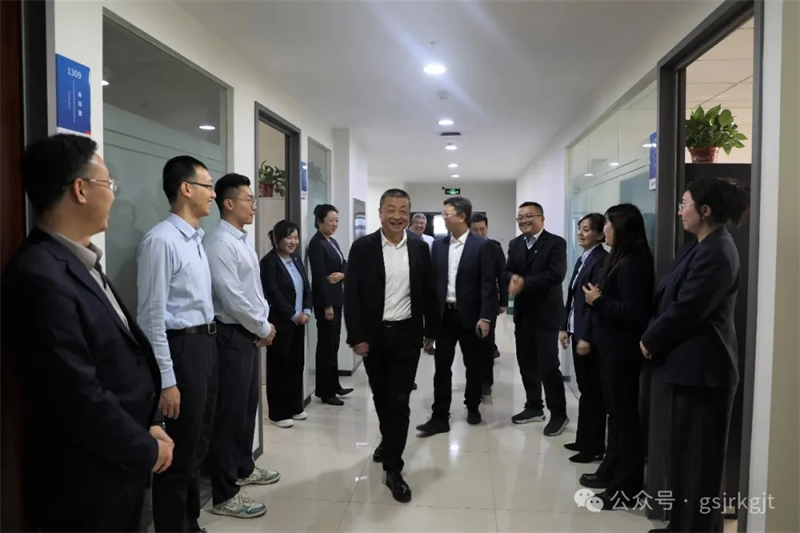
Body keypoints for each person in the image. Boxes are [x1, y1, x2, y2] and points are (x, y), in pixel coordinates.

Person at [0, 134, 173, 533]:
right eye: (109, 184)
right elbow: (76, 393)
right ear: (80, 189)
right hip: (85, 482)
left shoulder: (80, 261)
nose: (113, 194)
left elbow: (123, 356)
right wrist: (144, 447)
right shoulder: (39, 275)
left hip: (119, 462)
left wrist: (150, 422)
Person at [641, 177, 749, 533]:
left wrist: (651, 339)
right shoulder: (699, 246)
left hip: (706, 372)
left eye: (684, 204)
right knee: (685, 459)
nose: (679, 211)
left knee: (700, 464)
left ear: (705, 210)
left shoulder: (718, 251)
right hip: (686, 367)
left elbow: (688, 308)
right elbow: (669, 297)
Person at [137, 155, 218, 533]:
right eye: (208, 186)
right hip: (180, 351)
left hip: (205, 347)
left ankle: (191, 522)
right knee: (178, 453)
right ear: (186, 188)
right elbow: (151, 319)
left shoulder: (195, 239)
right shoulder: (161, 241)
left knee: (197, 445)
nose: (213, 194)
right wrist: (166, 380)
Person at [344, 188, 438, 503]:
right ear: (380, 213)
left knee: (399, 401)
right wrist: (356, 336)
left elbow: (428, 291)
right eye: (391, 210)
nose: (397, 216)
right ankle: (389, 439)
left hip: (406, 336)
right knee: (382, 396)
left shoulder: (419, 248)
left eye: (403, 210)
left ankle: (393, 469)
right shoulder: (363, 247)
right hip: (374, 336)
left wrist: (431, 331)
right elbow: (352, 295)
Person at [204, 173, 280, 519]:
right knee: (230, 414)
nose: (254, 205)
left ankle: (243, 466)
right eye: (249, 199)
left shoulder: (241, 240)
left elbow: (254, 291)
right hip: (231, 335)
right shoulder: (220, 244)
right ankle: (224, 492)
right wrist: (263, 327)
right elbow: (232, 298)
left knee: (247, 406)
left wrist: (263, 324)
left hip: (247, 333)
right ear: (229, 203)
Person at [579, 203, 654, 510]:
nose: (604, 230)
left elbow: (635, 312)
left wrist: (598, 301)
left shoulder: (635, 261)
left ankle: (627, 485)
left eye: (607, 224)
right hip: (609, 348)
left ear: (620, 227)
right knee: (615, 414)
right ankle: (612, 469)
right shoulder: (618, 257)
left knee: (625, 418)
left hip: (622, 351)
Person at [417, 197, 497, 435]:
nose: (443, 217)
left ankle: (472, 406)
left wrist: (486, 317)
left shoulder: (481, 246)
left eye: (447, 213)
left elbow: (487, 285)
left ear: (462, 217)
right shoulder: (438, 246)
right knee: (442, 367)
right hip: (445, 316)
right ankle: (440, 415)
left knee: (473, 365)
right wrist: (429, 322)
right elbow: (432, 284)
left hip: (471, 316)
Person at [505, 202, 569, 435]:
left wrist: (525, 282)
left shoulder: (555, 243)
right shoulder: (515, 244)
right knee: (526, 363)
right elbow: (508, 269)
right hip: (523, 314)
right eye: (520, 217)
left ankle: (559, 413)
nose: (523, 221)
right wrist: (511, 278)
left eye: (528, 216)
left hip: (546, 314)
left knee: (548, 366)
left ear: (541, 218)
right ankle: (534, 406)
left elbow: (556, 274)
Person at [560, 213, 608, 463]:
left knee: (592, 393)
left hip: (589, 337)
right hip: (577, 330)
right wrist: (564, 327)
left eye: (587, 229)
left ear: (600, 234)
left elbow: (592, 305)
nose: (580, 233)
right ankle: (583, 439)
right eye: (580, 228)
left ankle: (594, 446)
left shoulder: (601, 260)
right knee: (586, 391)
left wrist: (586, 337)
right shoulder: (583, 258)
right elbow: (573, 298)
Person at [260, 220, 312, 427]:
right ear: (277, 239)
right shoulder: (269, 262)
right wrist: (293, 314)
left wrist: (307, 310)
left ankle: (294, 406)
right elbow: (273, 293)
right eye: (289, 237)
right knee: (279, 367)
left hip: (299, 321)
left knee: (296, 365)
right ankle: (278, 413)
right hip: (281, 322)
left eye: (296, 238)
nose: (293, 242)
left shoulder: (296, 259)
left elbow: (306, 287)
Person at [307, 203, 352, 405]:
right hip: (326, 302)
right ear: (319, 221)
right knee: (326, 346)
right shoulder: (316, 243)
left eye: (336, 221)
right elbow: (319, 277)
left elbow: (345, 264)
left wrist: (343, 274)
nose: (334, 224)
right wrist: (327, 305)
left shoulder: (331, 241)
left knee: (334, 344)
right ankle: (325, 391)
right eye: (331, 221)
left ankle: (334, 385)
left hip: (337, 298)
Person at [468, 213, 509, 396]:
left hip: (489, 303)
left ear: (487, 228)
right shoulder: (463, 247)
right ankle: (473, 380)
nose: (479, 233)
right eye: (475, 230)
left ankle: (486, 382)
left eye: (482, 229)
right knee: (470, 344)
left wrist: (503, 302)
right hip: (467, 303)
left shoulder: (494, 247)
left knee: (486, 343)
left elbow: (502, 275)